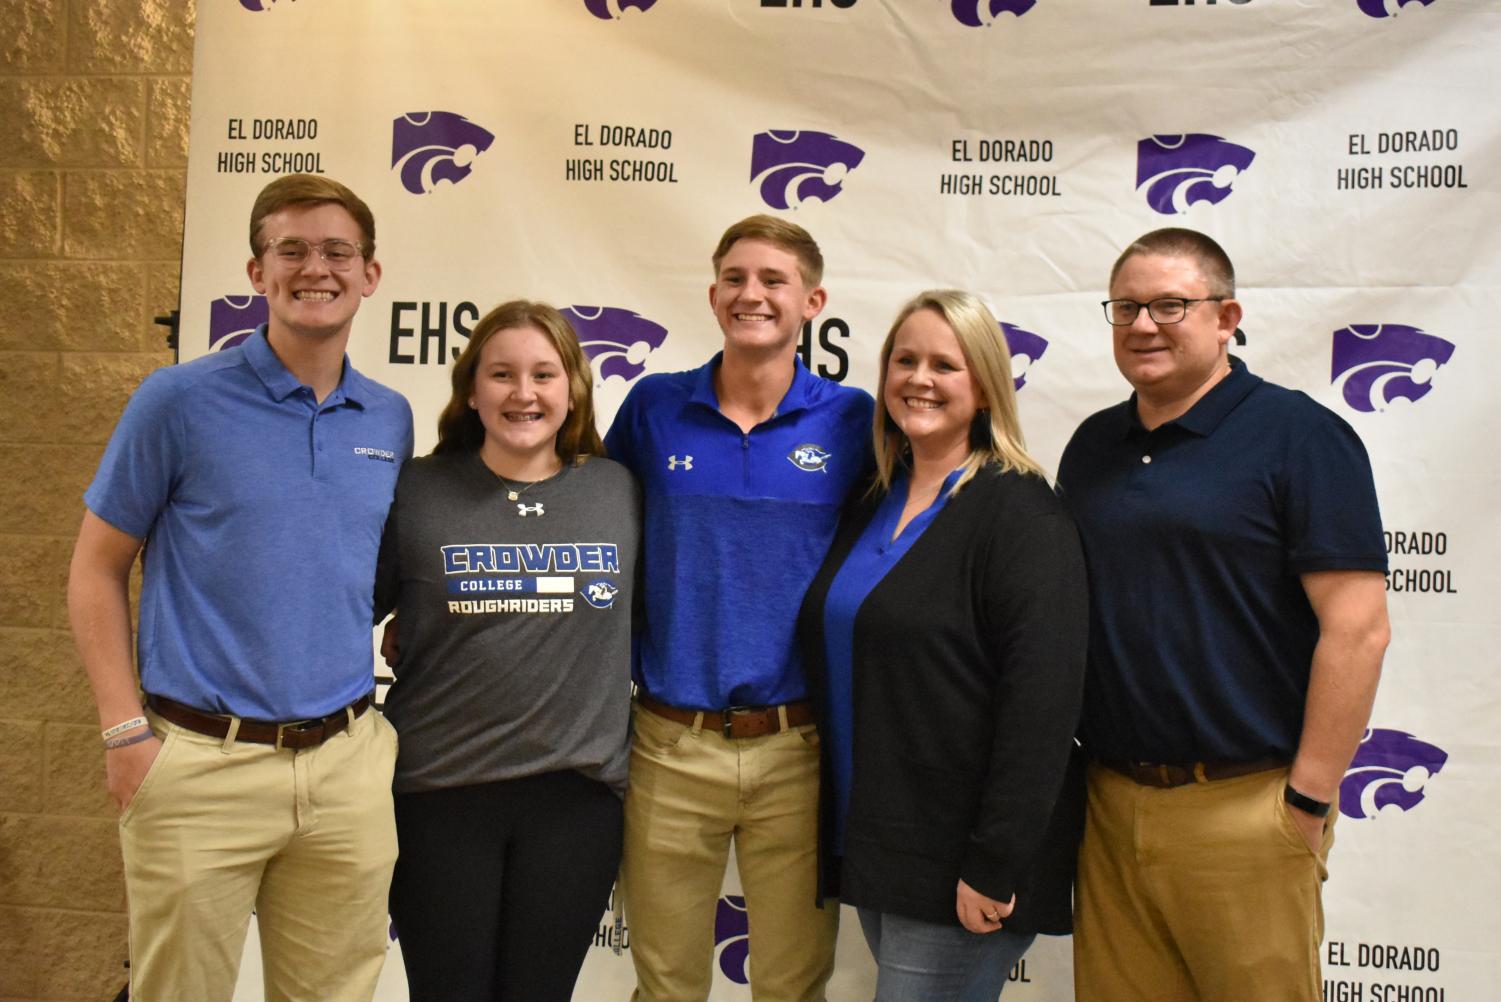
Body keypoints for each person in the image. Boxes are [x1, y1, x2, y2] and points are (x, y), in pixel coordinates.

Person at [66, 173, 412, 1001]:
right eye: (288, 249)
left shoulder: (389, 416)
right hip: (198, 765)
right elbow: (95, 568)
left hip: (345, 767)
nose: (313, 267)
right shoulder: (177, 401)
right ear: (256, 273)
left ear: (370, 274)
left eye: (336, 250)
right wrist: (123, 735)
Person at [1057, 227, 1391, 1002]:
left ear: (1225, 316)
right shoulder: (1091, 446)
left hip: (1247, 805)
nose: (1143, 325)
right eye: (1126, 308)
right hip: (1108, 806)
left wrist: (1306, 799)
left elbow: (1358, 626)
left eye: (1170, 304)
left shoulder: (1299, 436)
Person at [605, 215, 874, 1001]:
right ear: (714, 292)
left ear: (812, 301)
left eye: (772, 280)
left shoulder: (855, 419)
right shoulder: (654, 407)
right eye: (734, 278)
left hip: (798, 747)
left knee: (791, 986)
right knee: (665, 984)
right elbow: (591, 527)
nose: (749, 294)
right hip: (667, 742)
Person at [797, 290, 1088, 1001]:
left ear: (985, 384)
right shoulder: (874, 497)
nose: (917, 379)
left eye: (943, 364)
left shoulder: (1021, 514)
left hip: (959, 858)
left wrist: (993, 861)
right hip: (876, 840)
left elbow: (1042, 709)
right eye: (904, 360)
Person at [374, 300, 640, 1001]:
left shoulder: (618, 491)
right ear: (470, 389)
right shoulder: (417, 490)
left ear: (574, 387)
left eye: (544, 374)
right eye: (502, 374)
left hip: (575, 803)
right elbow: (348, 608)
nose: (523, 393)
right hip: (438, 795)